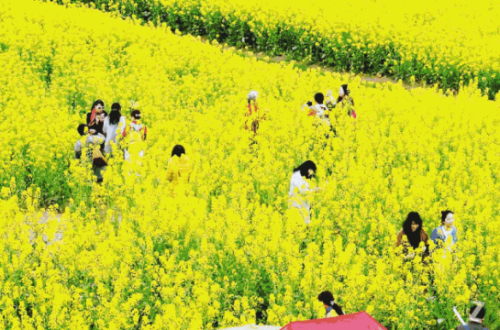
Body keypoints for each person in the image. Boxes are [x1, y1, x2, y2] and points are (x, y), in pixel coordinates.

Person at [289, 160, 317, 224]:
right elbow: (303, 191)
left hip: (303, 205)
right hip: (296, 206)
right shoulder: (296, 176)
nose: (310, 174)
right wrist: (315, 190)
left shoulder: (303, 176)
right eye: (310, 171)